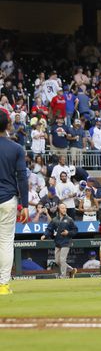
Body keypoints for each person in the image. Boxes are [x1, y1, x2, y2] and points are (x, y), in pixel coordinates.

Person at [0, 111, 29, 295]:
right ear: (9, 125)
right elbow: (22, 179)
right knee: (5, 242)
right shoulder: (16, 148)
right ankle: (3, 285)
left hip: (7, 198)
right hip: (8, 200)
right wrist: (25, 205)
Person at [41, 203, 78, 278]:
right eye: (62, 208)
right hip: (58, 242)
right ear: (59, 209)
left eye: (65, 208)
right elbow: (49, 229)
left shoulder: (69, 219)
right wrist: (45, 235)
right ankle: (71, 270)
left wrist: (68, 233)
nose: (64, 210)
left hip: (66, 242)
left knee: (62, 260)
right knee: (58, 261)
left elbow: (75, 230)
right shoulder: (54, 219)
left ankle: (63, 276)